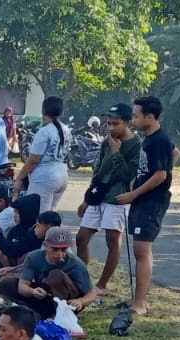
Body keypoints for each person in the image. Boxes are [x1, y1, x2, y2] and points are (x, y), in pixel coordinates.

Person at [114, 96, 173, 315]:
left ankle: (140, 303)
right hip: (143, 199)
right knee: (139, 249)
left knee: (142, 250)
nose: (133, 119)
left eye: (136, 116)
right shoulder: (150, 138)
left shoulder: (158, 140)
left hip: (152, 200)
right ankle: (137, 299)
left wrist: (133, 194)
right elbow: (174, 153)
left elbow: (160, 175)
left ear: (150, 117)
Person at [76, 103, 140, 299]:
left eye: (116, 124)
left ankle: (102, 284)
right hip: (98, 195)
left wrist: (117, 153)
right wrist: (88, 198)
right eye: (109, 124)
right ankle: (81, 279)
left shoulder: (136, 145)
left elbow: (128, 174)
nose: (111, 128)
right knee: (81, 237)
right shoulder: (107, 141)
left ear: (128, 123)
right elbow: (98, 171)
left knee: (112, 240)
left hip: (117, 198)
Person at [0, 226, 95, 317]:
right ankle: (33, 310)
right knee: (6, 283)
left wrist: (81, 302)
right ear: (45, 245)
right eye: (55, 249)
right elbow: (22, 286)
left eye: (63, 249)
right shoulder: (33, 257)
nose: (59, 254)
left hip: (67, 302)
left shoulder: (76, 264)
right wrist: (32, 291)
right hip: (44, 296)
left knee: (56, 275)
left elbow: (92, 294)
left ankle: (58, 314)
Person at [17, 96, 70, 213]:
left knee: (39, 216)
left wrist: (20, 177)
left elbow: (33, 160)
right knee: (51, 214)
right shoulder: (66, 129)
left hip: (45, 176)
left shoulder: (45, 131)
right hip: (61, 173)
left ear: (44, 111)